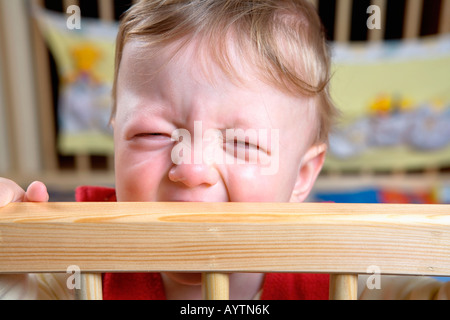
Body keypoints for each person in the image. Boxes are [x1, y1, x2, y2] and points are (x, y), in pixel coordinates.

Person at [0, 0, 449, 300]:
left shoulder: (338, 269)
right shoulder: (86, 262)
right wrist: (10, 267)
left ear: (302, 176)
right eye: (153, 135)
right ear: (115, 137)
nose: (191, 167)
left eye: (242, 142)